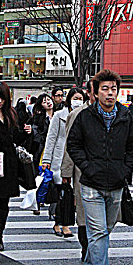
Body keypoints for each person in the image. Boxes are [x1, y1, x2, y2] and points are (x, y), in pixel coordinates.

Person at [67, 69, 133, 265]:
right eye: (105, 89)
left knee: (105, 230)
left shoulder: (126, 116)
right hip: (91, 183)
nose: (110, 93)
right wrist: (86, 167)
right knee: (98, 231)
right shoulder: (85, 116)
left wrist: (125, 170)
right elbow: (73, 145)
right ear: (96, 92)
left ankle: (89, 262)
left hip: (116, 183)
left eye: (113, 89)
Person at [0, 81, 31, 258]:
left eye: (2, 98)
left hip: (9, 163)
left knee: (4, 202)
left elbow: (15, 138)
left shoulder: (11, 114)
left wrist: (26, 133)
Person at [42, 87, 86, 238]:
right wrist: (46, 160)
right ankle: (61, 223)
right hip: (60, 159)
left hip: (79, 161)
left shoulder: (86, 116)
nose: (77, 101)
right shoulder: (59, 116)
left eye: (80, 98)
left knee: (74, 195)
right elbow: (51, 138)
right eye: (75, 98)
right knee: (63, 193)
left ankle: (64, 222)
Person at [61, 80, 96, 261]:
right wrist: (66, 172)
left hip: (107, 174)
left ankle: (95, 249)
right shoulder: (77, 114)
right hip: (83, 172)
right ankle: (87, 249)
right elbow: (70, 146)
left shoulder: (117, 113)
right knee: (83, 215)